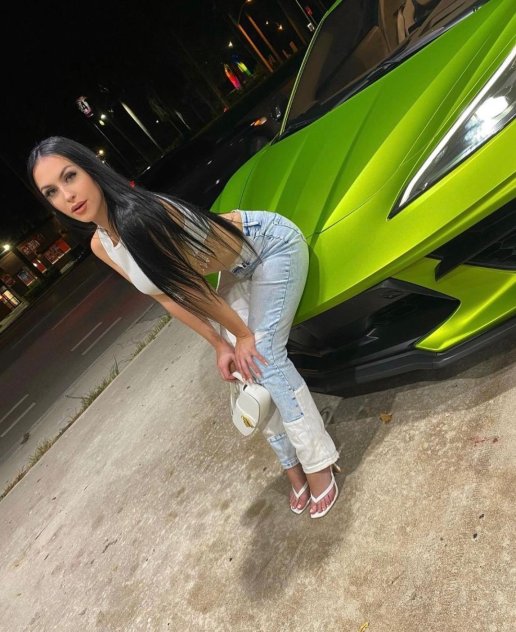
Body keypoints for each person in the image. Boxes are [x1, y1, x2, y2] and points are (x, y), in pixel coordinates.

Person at [27, 136, 340, 518]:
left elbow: (192, 287)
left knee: (263, 356)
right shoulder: (101, 245)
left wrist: (243, 336)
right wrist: (220, 345)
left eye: (70, 176)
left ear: (90, 169)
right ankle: (291, 464)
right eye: (52, 192)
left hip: (270, 246)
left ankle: (318, 461)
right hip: (235, 269)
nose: (67, 196)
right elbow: (168, 297)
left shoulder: (140, 217)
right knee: (246, 371)